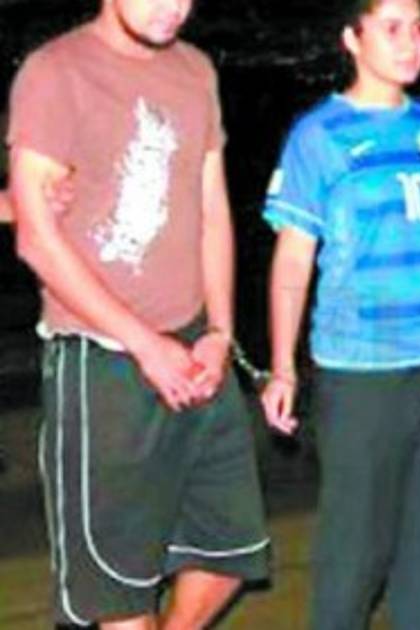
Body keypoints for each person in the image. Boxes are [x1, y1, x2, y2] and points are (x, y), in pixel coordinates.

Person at [8, 0, 271, 626]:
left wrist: (220, 332)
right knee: (118, 590)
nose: (171, 8)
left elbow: (211, 209)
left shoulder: (195, 69)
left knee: (230, 553)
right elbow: (35, 237)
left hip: (196, 345)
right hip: (102, 360)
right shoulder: (56, 71)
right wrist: (146, 346)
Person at [258, 0, 420, 627]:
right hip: (361, 373)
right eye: (391, 29)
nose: (410, 43)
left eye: (418, 28)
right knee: (356, 551)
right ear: (352, 38)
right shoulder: (319, 136)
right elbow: (293, 259)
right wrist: (283, 365)